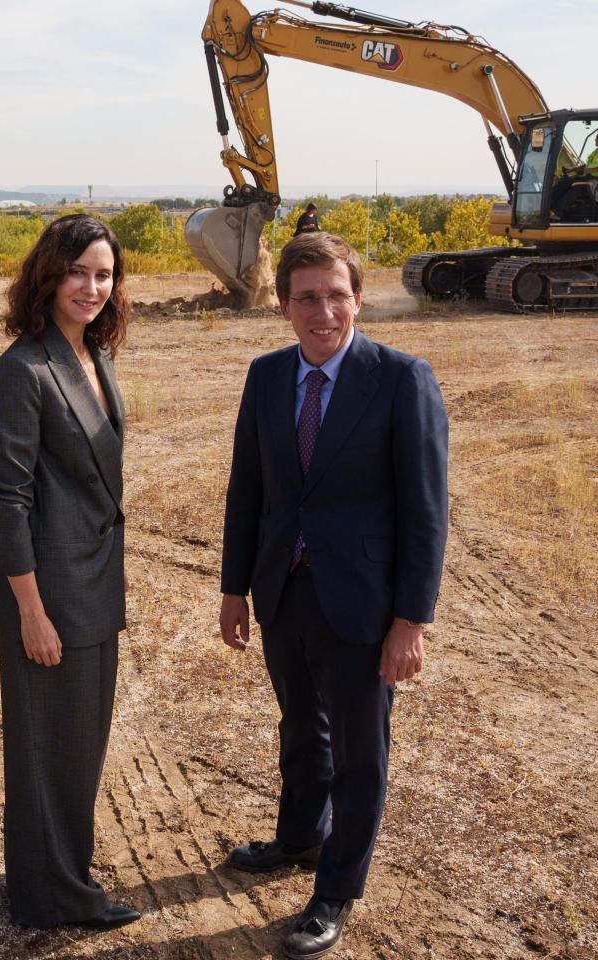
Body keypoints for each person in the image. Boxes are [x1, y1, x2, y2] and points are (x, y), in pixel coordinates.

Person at [217, 231, 448, 959]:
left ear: (357, 297)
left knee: (359, 754)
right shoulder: (265, 376)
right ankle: (297, 839)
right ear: (283, 305)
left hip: (364, 602)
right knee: (299, 729)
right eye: (307, 297)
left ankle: (335, 890)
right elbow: (247, 492)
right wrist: (234, 588)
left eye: (337, 295)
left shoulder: (400, 379)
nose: (324, 311)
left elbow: (425, 511)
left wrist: (409, 620)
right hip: (283, 588)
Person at [0, 214, 138, 931]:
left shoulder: (94, 355)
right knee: (50, 750)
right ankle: (53, 898)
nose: (91, 287)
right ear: (47, 276)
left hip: (95, 580)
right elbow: (8, 498)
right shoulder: (23, 369)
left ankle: (56, 875)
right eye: (77, 272)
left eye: (103, 274)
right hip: (49, 591)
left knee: (79, 746)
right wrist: (30, 610)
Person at [551, 125, 598, 220]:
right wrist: (572, 170)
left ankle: (558, 213)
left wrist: (592, 170)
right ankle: (550, 207)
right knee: (565, 181)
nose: (595, 140)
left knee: (577, 186)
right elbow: (588, 166)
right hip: (589, 178)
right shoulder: (596, 151)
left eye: (597, 138)